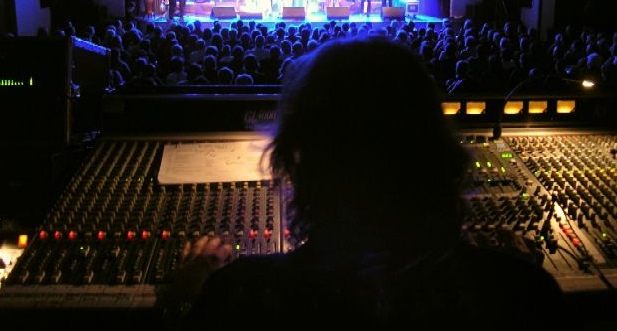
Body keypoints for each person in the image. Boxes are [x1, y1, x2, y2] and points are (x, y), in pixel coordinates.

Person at [164, 38, 564, 328]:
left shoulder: (243, 296)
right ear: (440, 151)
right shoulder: (525, 292)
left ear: (300, 162)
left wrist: (182, 298)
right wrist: (509, 275)